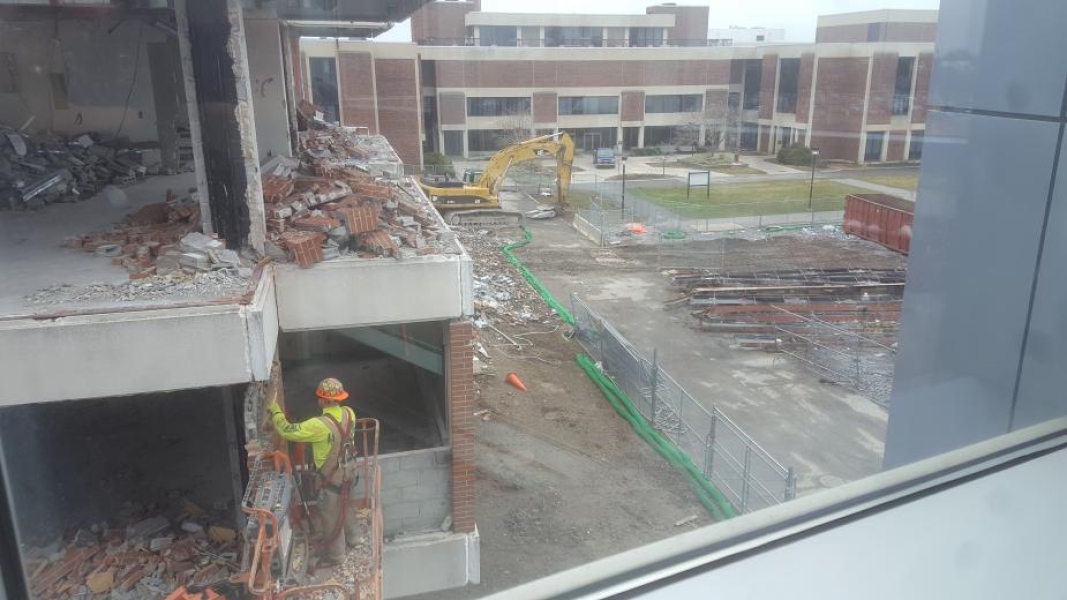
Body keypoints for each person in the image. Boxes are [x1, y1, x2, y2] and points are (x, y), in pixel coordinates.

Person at [267, 377, 360, 565]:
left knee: (331, 517)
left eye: (319, 397)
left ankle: (337, 556)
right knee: (347, 506)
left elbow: (287, 430)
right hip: (349, 474)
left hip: (330, 480)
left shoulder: (318, 425)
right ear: (340, 398)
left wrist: (275, 411)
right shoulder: (350, 413)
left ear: (323, 401)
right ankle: (355, 539)